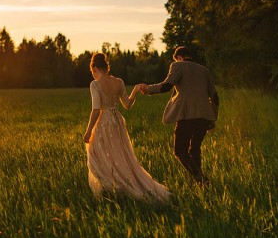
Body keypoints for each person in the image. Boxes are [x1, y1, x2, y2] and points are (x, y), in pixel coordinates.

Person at [83, 53, 170, 201]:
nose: (92, 74)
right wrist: (135, 91)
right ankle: (117, 186)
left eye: (92, 70)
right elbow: (128, 105)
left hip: (104, 123)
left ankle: (114, 187)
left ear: (95, 68)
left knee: (96, 154)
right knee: (119, 154)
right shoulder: (119, 82)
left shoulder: (95, 84)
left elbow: (96, 109)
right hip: (117, 121)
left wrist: (88, 131)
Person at [140, 46, 219, 186]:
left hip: (187, 114)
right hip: (204, 116)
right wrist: (213, 118)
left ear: (179, 57)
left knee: (179, 150)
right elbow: (215, 97)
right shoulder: (204, 70)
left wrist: (148, 89)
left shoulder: (178, 65)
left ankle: (200, 178)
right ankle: (198, 183)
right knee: (194, 149)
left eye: (176, 59)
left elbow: (167, 86)